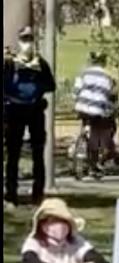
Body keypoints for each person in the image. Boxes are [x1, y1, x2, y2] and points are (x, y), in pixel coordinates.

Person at [3, 26, 56, 206]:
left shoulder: (40, 63)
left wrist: (37, 92)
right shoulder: (9, 63)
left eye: (30, 39)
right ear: (19, 41)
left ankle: (38, 193)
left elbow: (51, 85)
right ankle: (11, 194)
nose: (27, 43)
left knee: (38, 153)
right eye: (24, 39)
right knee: (13, 154)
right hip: (14, 111)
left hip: (34, 111)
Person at [73, 51, 119, 178]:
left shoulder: (83, 73)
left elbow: (76, 90)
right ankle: (94, 163)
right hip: (98, 110)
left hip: (81, 107)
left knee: (85, 123)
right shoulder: (109, 76)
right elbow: (112, 96)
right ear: (104, 62)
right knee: (97, 134)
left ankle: (78, 145)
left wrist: (77, 100)